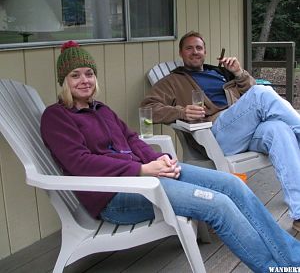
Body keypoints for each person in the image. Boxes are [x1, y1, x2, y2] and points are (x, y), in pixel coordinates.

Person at [41, 40, 300, 272]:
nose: (84, 80)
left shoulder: (102, 109)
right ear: (64, 81)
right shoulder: (57, 117)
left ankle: (293, 260)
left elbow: (131, 139)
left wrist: (158, 161)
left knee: (232, 184)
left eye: (89, 73)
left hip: (145, 178)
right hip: (116, 196)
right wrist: (142, 170)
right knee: (218, 205)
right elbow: (81, 163)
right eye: (75, 75)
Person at [141, 31, 300, 232]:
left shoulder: (220, 72)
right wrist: (181, 111)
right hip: (217, 134)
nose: (195, 52)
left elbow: (248, 89)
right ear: (181, 53)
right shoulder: (172, 81)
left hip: (244, 129)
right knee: (261, 92)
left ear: (205, 51)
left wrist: (239, 73)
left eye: (199, 48)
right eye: (189, 48)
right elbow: (147, 108)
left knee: (279, 129)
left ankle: (299, 214)